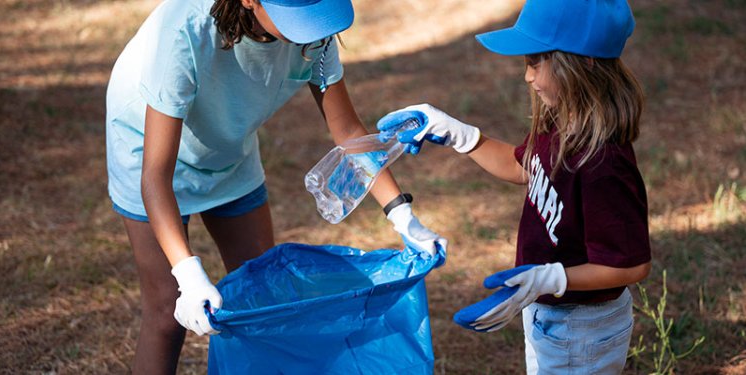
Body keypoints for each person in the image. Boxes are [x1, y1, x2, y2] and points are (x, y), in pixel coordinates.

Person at [105, 0, 446, 372]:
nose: (314, 30)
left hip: (228, 145)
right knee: (166, 310)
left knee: (262, 293)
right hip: (146, 146)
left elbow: (348, 133)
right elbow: (155, 175)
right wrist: (187, 273)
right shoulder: (185, 32)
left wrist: (404, 217)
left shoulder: (315, 36)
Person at [376, 0, 651, 373]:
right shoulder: (561, 121)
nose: (527, 76)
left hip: (582, 328)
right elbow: (522, 167)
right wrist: (460, 134)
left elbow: (630, 265)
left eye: (536, 61)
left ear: (583, 62)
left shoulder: (603, 163)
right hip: (548, 308)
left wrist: (550, 278)